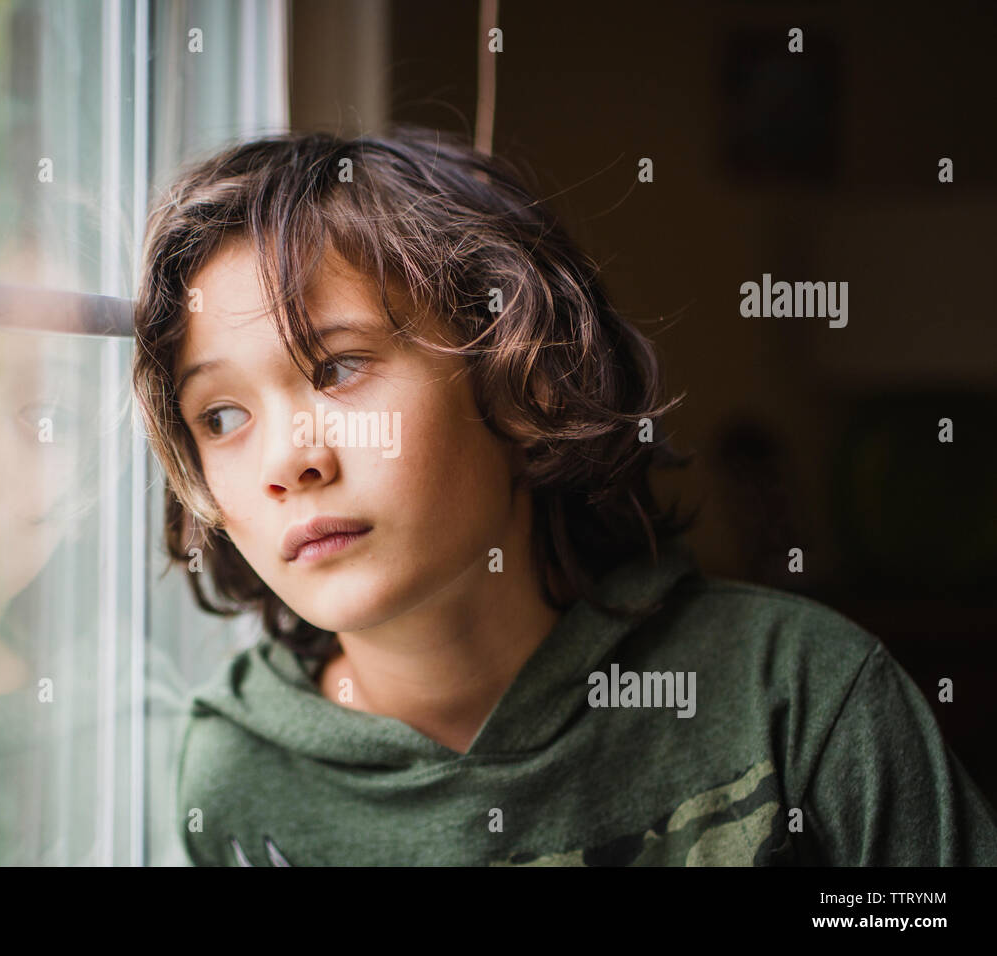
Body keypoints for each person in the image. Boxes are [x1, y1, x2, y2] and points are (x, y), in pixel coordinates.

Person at [132, 124, 997, 866]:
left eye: (340, 366)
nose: (287, 461)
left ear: (522, 382)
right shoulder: (236, 776)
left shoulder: (803, 695)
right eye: (222, 415)